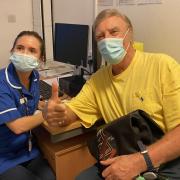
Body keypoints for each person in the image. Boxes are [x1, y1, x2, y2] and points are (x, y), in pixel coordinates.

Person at [44, 9, 180, 179]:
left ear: (130, 34)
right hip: (122, 155)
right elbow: (71, 112)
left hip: (162, 159)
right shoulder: (98, 80)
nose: (107, 40)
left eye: (114, 32)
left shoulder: (162, 66)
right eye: (100, 37)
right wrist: (58, 113)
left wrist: (139, 161)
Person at [0, 31, 55, 180]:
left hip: (28, 150)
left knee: (52, 176)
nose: (24, 54)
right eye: (20, 48)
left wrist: (43, 105)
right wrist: (46, 113)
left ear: (41, 59)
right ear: (12, 51)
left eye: (32, 50)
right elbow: (17, 126)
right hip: (4, 156)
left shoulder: (35, 77)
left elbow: (26, 99)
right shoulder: (2, 83)